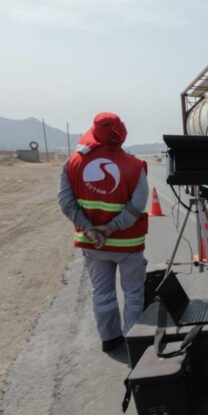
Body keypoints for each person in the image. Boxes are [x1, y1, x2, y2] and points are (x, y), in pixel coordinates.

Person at [58, 112, 149, 352]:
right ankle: (134, 342)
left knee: (102, 293)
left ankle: (109, 339)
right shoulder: (135, 165)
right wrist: (112, 228)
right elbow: (137, 205)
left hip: (93, 245)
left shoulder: (73, 163)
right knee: (133, 294)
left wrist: (90, 229)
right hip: (128, 244)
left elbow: (66, 202)